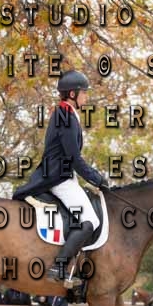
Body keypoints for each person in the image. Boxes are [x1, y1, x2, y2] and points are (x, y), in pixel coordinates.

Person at [12, 70, 110, 282]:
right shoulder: (65, 116)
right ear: (73, 94)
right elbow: (74, 158)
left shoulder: (66, 114)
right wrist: (97, 179)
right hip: (59, 178)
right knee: (90, 220)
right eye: (84, 93)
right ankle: (59, 266)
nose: (86, 97)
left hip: (61, 174)